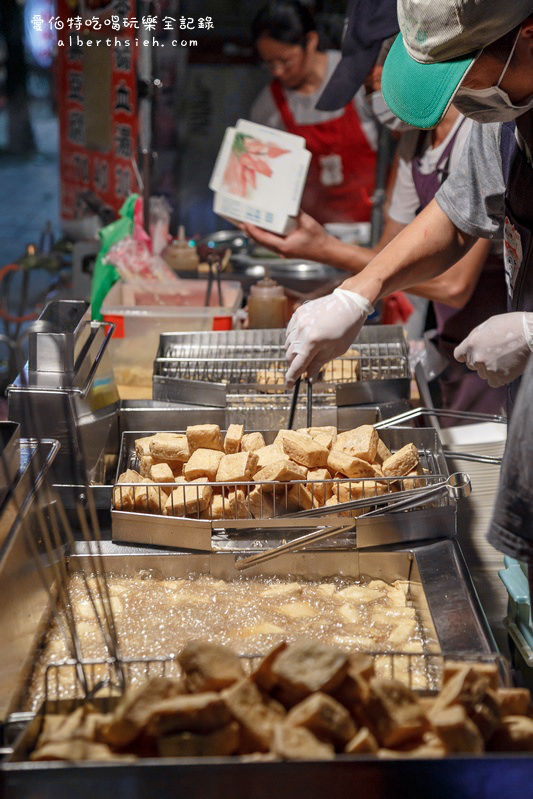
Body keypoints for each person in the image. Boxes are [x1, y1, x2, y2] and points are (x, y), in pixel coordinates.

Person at [268, 1, 533, 403]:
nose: (458, 99)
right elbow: (456, 214)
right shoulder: (503, 121)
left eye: (459, 78)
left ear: (527, 38)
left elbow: (455, 283)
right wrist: (358, 292)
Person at [250, 0, 378, 228]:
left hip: (372, 226)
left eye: (285, 61)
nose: (278, 72)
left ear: (310, 41)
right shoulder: (269, 105)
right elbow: (261, 180)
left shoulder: (355, 78)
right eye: (269, 64)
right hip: (311, 234)